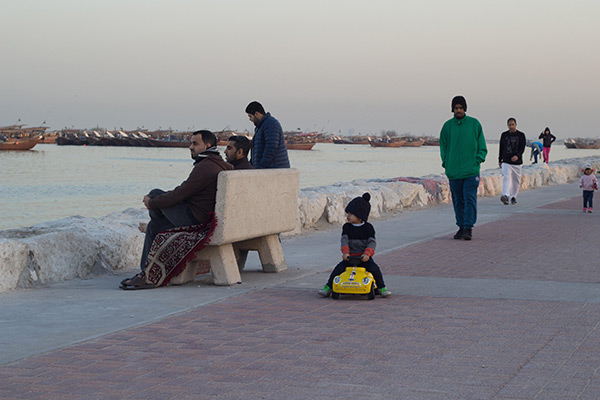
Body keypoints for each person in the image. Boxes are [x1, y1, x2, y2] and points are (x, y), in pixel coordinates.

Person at [121, 130, 233, 289]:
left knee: (155, 194)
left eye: (195, 144)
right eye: (190, 143)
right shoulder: (220, 164)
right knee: (155, 226)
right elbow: (184, 192)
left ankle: (147, 274)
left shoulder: (205, 166)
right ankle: (146, 273)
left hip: (195, 220)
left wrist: (152, 202)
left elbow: (180, 193)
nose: (190, 147)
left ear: (207, 146)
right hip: (204, 217)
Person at [318, 193, 391, 298]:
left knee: (374, 269)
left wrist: (367, 254)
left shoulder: (368, 228)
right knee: (338, 269)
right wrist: (345, 252)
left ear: (360, 216)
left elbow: (372, 242)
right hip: (350, 257)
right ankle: (328, 286)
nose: (348, 216)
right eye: (347, 213)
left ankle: (382, 287)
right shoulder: (347, 227)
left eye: (351, 214)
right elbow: (344, 240)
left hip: (364, 257)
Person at [440, 95, 487, 241]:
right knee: (458, 201)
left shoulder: (474, 124)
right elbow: (443, 146)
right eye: (456, 108)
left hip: (471, 171)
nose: (458, 110)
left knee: (469, 199)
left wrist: (477, 160)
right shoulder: (447, 127)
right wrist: (446, 163)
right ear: (452, 110)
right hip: (454, 172)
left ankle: (468, 227)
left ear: (465, 109)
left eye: (461, 108)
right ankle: (461, 226)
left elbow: (482, 146)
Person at [245, 101, 290, 169]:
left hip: (274, 169)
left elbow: (271, 148)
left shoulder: (270, 123)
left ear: (256, 114)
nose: (250, 119)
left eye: (250, 116)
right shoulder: (261, 126)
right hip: (267, 169)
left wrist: (261, 166)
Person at [499, 117, 527, 205]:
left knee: (516, 181)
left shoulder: (521, 135)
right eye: (509, 125)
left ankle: (513, 197)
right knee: (506, 177)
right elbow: (501, 147)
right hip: (506, 161)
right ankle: (505, 195)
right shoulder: (504, 135)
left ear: (516, 125)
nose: (511, 126)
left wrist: (517, 156)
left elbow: (522, 148)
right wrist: (500, 159)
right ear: (507, 125)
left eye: (513, 125)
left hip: (517, 163)